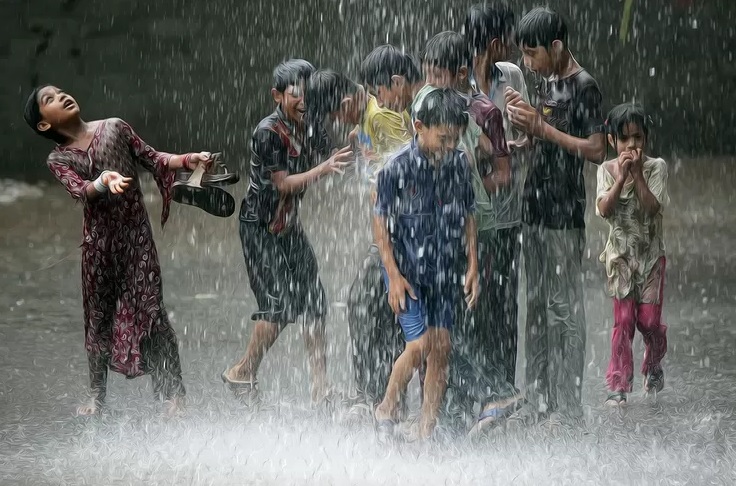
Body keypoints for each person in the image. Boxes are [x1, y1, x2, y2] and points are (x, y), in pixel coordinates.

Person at [23, 85, 213, 417]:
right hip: (99, 248)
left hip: (136, 239)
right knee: (98, 320)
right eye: (49, 99)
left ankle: (172, 394)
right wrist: (102, 180)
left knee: (153, 312)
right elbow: (80, 189)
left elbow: (153, 158)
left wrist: (187, 159)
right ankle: (97, 396)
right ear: (43, 125)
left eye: (60, 91)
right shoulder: (59, 158)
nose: (63, 96)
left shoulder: (114, 126)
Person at [222, 60, 353, 407]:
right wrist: (323, 168)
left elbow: (334, 157)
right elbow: (282, 185)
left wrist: (360, 144)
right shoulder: (268, 132)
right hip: (259, 228)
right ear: (277, 95)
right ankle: (242, 371)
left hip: (289, 226)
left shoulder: (311, 124)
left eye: (306, 92)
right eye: (295, 93)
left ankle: (320, 389)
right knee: (277, 307)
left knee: (314, 300)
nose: (303, 99)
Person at [413, 31, 521, 433]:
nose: (431, 80)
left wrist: (474, 183)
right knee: (441, 327)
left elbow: (502, 171)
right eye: (427, 72)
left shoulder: (484, 113)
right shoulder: (423, 102)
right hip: (435, 232)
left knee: (470, 322)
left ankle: (488, 399)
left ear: (461, 73)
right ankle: (449, 414)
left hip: (478, 230)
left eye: (438, 73)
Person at [505, 7, 606, 422]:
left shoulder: (585, 87)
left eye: (533, 55)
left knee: (565, 308)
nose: (528, 64)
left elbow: (598, 150)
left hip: (564, 213)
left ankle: (568, 408)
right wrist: (524, 137)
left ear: (557, 46)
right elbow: (549, 139)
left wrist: (542, 129)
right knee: (535, 302)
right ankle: (536, 399)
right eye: (524, 56)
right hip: (534, 207)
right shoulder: (547, 83)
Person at [373, 88, 479, 441]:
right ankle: (386, 408)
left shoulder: (460, 163)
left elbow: (468, 216)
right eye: (443, 138)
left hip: (445, 273)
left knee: (442, 349)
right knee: (419, 347)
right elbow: (380, 223)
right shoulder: (395, 169)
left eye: (455, 140)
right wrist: (393, 276)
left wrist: (473, 266)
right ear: (419, 126)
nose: (449, 147)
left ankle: (425, 430)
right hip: (409, 275)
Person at [465, 1, 530, 388]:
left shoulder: (512, 78)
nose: (514, 45)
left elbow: (523, 137)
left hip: (506, 216)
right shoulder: (457, 83)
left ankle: (504, 387)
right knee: (473, 304)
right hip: (469, 219)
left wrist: (522, 138)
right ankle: (476, 391)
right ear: (494, 42)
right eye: (508, 39)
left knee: (505, 306)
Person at [596, 104, 668, 406]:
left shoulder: (656, 168)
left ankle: (653, 364)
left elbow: (653, 209)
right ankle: (619, 383)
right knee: (624, 320)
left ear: (646, 139)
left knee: (649, 321)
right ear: (613, 142)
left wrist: (637, 175)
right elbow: (604, 209)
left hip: (650, 258)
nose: (632, 146)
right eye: (624, 139)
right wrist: (622, 177)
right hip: (621, 259)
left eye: (637, 138)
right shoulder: (606, 170)